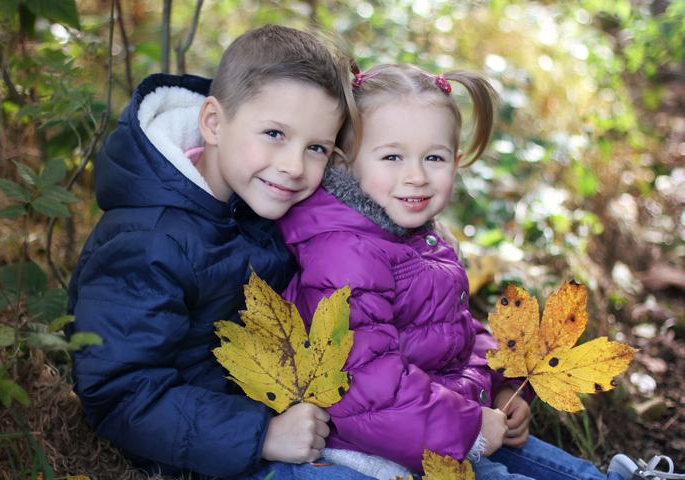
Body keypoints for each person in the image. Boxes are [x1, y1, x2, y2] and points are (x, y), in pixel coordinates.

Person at [277, 62, 649, 480]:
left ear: (455, 162)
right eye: (392, 157)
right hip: (373, 448)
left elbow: (454, 332)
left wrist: (501, 385)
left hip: (443, 420)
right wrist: (469, 427)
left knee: (569, 469)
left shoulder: (416, 236)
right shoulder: (346, 252)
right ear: (346, 163)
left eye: (433, 158)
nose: (416, 176)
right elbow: (366, 387)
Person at [66, 25, 376, 480]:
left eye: (316, 148)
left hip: (282, 413)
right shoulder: (149, 242)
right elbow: (120, 393)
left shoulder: (256, 199)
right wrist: (261, 436)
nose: (294, 166)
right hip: (204, 452)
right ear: (213, 123)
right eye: (274, 133)